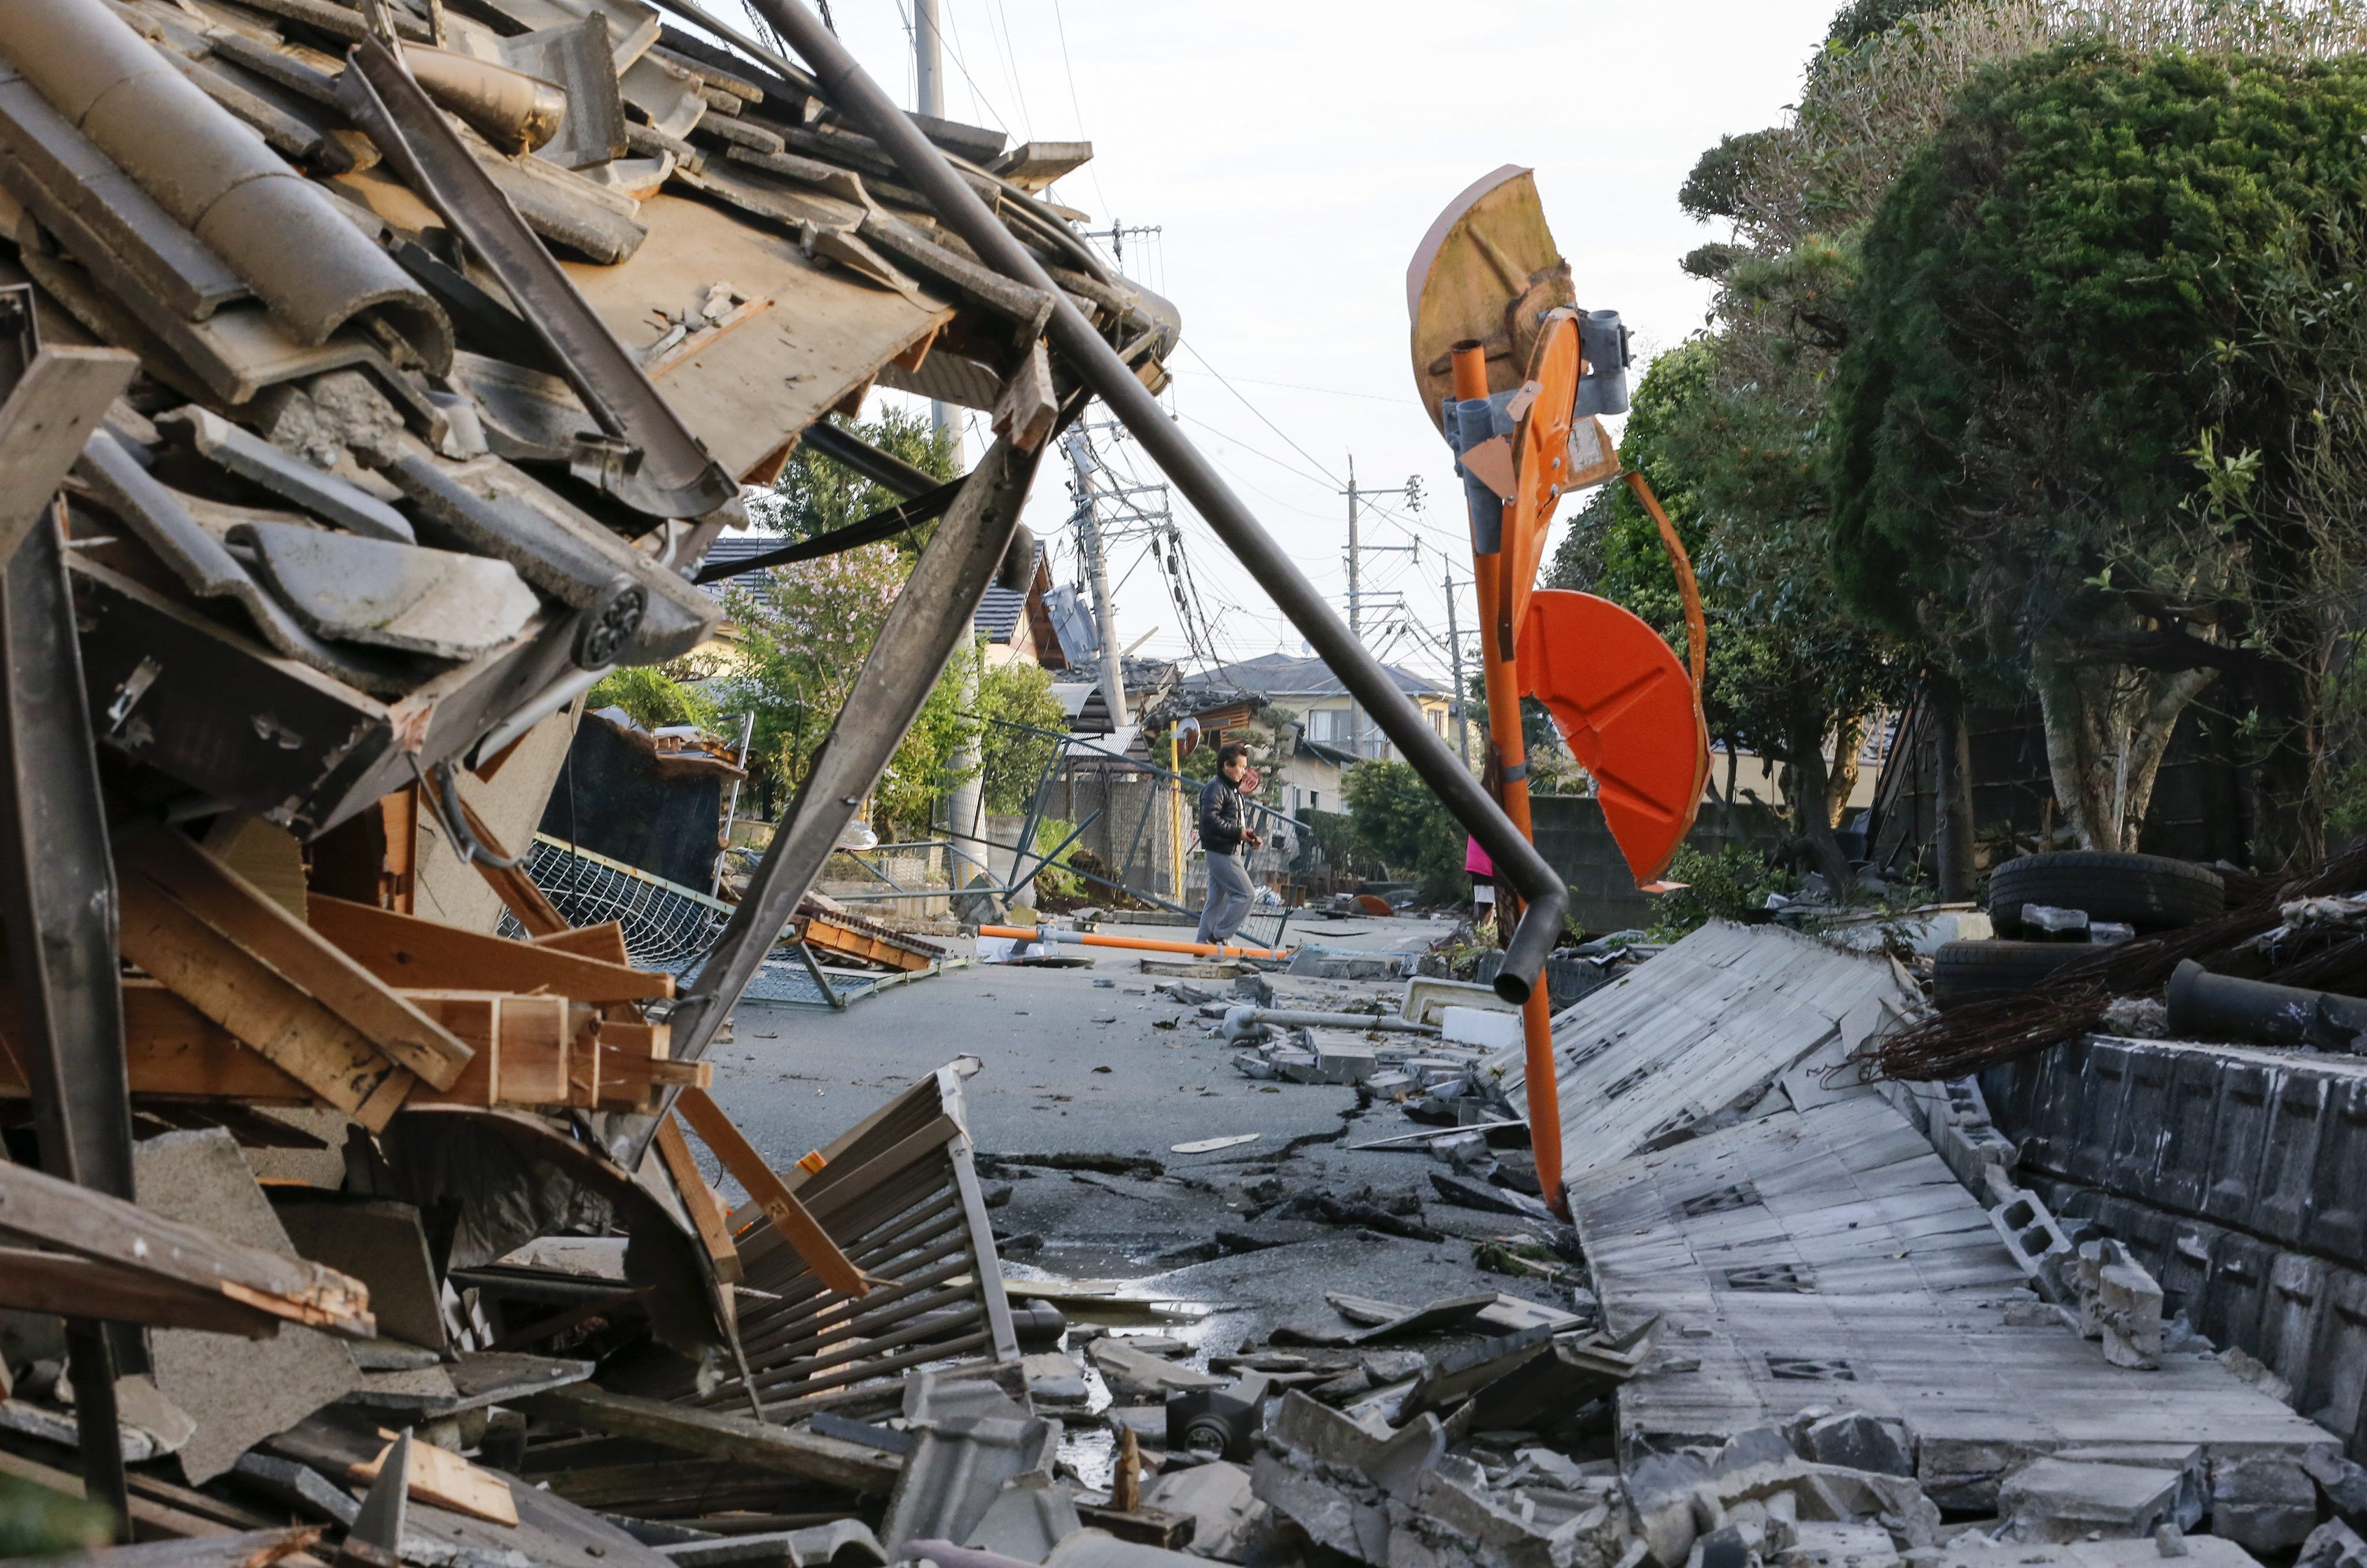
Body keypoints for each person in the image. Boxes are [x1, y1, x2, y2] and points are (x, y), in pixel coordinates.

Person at [1194, 742, 1262, 946]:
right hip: (1222, 851)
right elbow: (1209, 820)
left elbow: (1232, 822)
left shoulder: (1232, 790)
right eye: (1241, 767)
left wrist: (1248, 835)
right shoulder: (1215, 788)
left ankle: (1201, 946)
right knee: (1246, 895)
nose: (1244, 772)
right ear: (1227, 765)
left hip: (1225, 849)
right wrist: (1239, 833)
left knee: (1216, 902)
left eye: (1245, 767)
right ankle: (1218, 937)